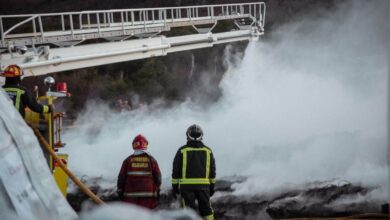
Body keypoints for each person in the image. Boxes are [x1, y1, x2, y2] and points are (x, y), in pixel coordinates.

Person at [172, 124, 216, 220]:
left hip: (186, 187)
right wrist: (212, 187)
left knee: (189, 212)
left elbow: (176, 170)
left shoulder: (182, 151)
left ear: (188, 135)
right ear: (202, 135)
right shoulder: (208, 151)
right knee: (207, 211)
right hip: (204, 187)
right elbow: (212, 172)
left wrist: (175, 187)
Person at [117, 134, 161, 209]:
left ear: (134, 145)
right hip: (147, 195)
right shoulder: (151, 160)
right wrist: (158, 190)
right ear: (145, 145)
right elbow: (158, 177)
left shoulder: (128, 160)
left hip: (130, 196)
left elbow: (121, 177)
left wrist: (120, 191)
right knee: (145, 216)